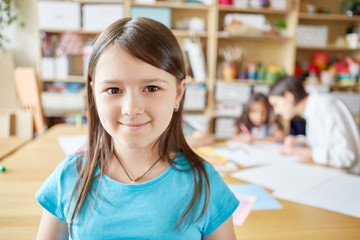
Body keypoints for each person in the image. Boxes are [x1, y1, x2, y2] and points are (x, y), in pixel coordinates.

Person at [35, 18, 239, 239]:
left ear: (178, 94)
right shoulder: (69, 178)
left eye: (151, 88)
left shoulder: (204, 184)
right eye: (113, 90)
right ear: (94, 93)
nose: (131, 108)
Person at [268, 75, 360, 175]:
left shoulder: (324, 106)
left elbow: (347, 156)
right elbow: (325, 142)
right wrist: (300, 141)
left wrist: (299, 152)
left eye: (276, 104)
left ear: (289, 96)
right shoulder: (312, 108)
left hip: (349, 177)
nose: (276, 111)